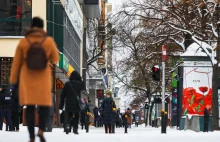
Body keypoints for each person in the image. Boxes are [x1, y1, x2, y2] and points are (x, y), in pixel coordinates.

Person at [9, 17, 59, 142]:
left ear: (31, 26)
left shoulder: (24, 42)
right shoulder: (48, 41)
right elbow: (55, 58)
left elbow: (16, 63)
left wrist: (13, 81)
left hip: (28, 78)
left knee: (30, 107)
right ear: (42, 27)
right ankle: (41, 131)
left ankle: (31, 136)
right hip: (43, 78)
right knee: (44, 106)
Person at [59, 71, 86, 135]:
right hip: (77, 103)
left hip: (69, 102)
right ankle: (75, 129)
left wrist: (61, 105)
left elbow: (62, 95)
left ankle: (68, 126)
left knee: (68, 115)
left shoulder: (68, 84)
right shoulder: (82, 84)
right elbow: (84, 95)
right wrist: (84, 104)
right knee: (77, 115)